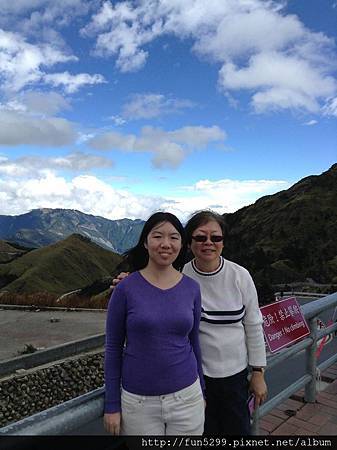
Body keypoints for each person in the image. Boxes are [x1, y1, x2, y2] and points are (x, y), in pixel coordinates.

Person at [112, 210, 267, 436]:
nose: (208, 243)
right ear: (189, 242)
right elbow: (153, 286)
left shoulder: (239, 276)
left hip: (234, 377)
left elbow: (253, 324)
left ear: (223, 241)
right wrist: (129, 284)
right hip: (193, 379)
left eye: (216, 238)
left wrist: (258, 372)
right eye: (200, 237)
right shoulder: (181, 276)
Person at [103, 212, 205, 436]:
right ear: (145, 242)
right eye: (158, 236)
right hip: (138, 404)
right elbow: (112, 348)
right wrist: (112, 405)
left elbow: (194, 341)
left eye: (174, 237)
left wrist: (202, 392)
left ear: (182, 244)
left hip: (188, 397)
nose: (166, 244)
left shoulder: (192, 288)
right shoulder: (125, 289)